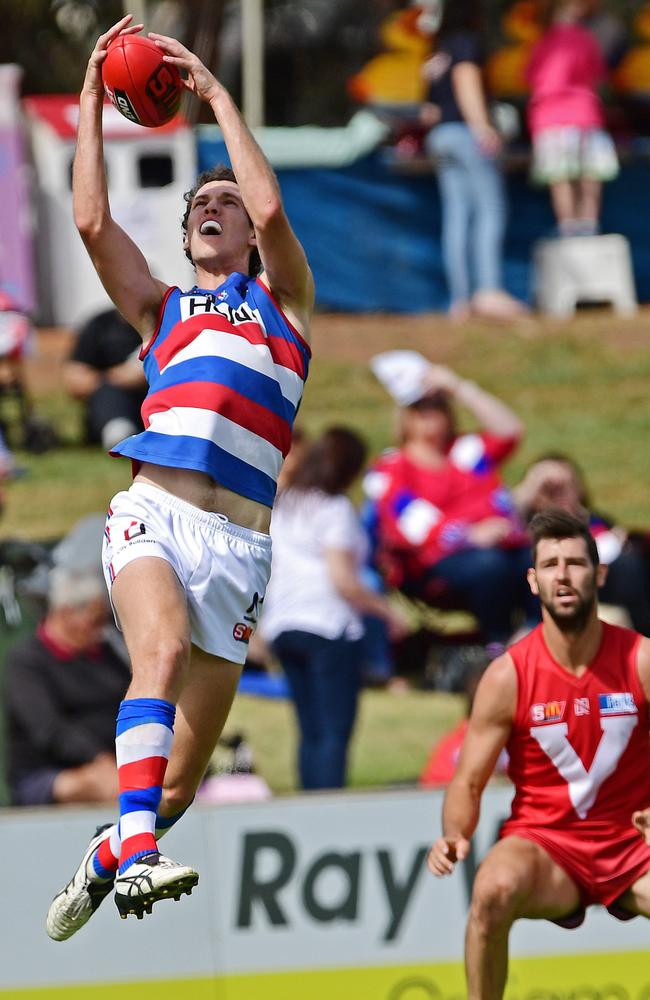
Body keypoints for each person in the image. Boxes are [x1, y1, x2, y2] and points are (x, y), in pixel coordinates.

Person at [46, 13, 313, 940]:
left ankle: (117, 847)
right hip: (155, 515)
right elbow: (90, 220)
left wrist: (214, 92)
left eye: (224, 199)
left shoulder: (286, 308)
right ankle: (138, 852)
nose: (211, 205)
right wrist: (88, 97)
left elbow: (275, 212)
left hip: (240, 551)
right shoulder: (164, 309)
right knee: (153, 656)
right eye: (200, 199)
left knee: (182, 781)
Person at [427, 509, 650, 1000]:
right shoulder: (508, 675)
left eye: (576, 563)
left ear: (601, 575)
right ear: (533, 580)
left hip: (633, 844)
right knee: (491, 891)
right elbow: (468, 780)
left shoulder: (641, 658)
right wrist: (454, 834)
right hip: (548, 846)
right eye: (550, 565)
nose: (564, 575)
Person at [258, 427, 409, 790]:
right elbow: (343, 580)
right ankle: (329, 804)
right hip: (328, 625)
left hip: (284, 625)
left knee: (308, 728)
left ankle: (310, 801)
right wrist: (387, 612)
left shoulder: (284, 504)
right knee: (334, 730)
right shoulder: (335, 508)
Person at [365, 350, 538, 646]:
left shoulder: (467, 451)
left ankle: (537, 635)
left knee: (540, 557)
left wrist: (458, 387)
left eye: (438, 405)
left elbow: (510, 431)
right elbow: (412, 528)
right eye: (420, 407)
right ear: (405, 416)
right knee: (490, 566)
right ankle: (499, 645)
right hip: (434, 565)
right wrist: (471, 535)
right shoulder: (391, 469)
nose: (431, 413)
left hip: (503, 545)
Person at [420, 0, 528, 322]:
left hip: (440, 137)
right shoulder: (466, 43)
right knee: (491, 209)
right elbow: (466, 83)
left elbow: (429, 112)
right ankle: (489, 291)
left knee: (458, 216)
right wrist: (483, 128)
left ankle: (460, 302)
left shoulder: (437, 53)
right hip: (465, 134)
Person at [4, 567, 129, 807]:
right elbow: (49, 730)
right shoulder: (27, 662)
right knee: (118, 787)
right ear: (65, 614)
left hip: (113, 764)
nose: (102, 629)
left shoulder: (107, 656)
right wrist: (99, 759)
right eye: (95, 620)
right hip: (44, 774)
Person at [513, 453, 650, 635]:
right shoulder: (518, 526)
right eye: (548, 488)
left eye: (566, 486)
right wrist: (530, 488)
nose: (558, 493)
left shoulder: (596, 521)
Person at [526, 0, 619, 237]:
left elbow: (527, 78)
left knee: (560, 176)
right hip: (585, 112)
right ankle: (589, 223)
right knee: (590, 174)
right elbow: (598, 75)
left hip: (550, 117)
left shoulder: (541, 43)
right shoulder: (586, 39)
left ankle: (567, 225)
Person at [63, 306, 147, 450]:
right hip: (109, 401)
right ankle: (118, 431)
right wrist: (116, 377)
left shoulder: (167, 323)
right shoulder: (100, 324)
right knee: (108, 391)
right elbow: (75, 381)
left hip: (152, 396)